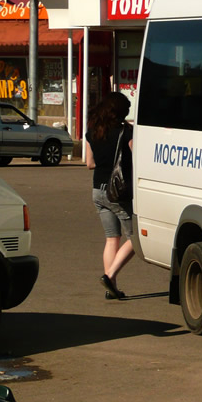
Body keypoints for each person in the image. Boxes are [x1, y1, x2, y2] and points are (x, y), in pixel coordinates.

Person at [84, 92, 135, 300]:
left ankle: (111, 288)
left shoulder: (93, 131)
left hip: (98, 189)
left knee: (111, 237)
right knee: (136, 237)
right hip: (118, 191)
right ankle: (110, 275)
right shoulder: (126, 132)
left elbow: (89, 164)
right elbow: (136, 157)